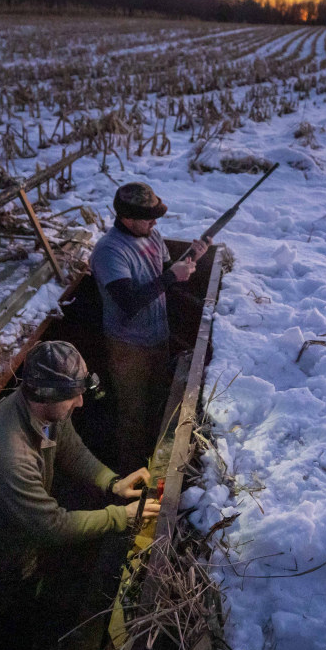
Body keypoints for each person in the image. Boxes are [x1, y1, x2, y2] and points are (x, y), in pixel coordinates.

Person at [0, 340, 159, 650]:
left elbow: (70, 449)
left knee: (19, 633)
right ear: (46, 394)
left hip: (17, 557)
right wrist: (120, 516)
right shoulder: (8, 456)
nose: (80, 402)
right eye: (73, 396)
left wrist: (112, 483)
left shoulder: (43, 412)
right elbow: (54, 526)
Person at [90, 182, 209, 474]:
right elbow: (128, 302)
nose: (155, 222)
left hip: (158, 338)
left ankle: (153, 467)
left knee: (157, 405)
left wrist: (193, 258)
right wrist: (170, 277)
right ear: (127, 219)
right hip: (128, 348)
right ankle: (128, 480)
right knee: (132, 417)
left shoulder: (152, 235)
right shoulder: (109, 251)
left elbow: (167, 273)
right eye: (148, 217)